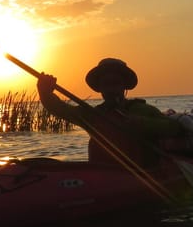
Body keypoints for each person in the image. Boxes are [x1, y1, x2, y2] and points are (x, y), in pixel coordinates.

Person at [37, 58, 184, 166]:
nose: (111, 90)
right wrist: (45, 91)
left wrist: (141, 123)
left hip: (142, 175)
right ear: (100, 88)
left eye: (116, 84)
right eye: (106, 85)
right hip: (104, 175)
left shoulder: (142, 110)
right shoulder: (92, 115)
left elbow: (176, 128)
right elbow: (60, 109)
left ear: (124, 86)